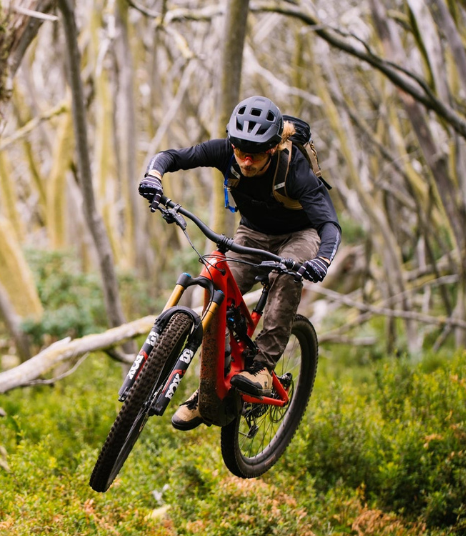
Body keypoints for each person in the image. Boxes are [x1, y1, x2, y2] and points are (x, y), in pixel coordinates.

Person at [137, 95, 341, 431]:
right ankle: (210, 392)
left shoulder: (295, 170)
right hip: (252, 234)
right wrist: (154, 177)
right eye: (239, 150)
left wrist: (321, 260)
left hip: (299, 234)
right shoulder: (226, 151)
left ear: (272, 149)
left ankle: (262, 369)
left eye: (255, 154)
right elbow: (172, 157)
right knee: (214, 281)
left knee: (286, 274)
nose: (245, 160)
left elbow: (329, 225)